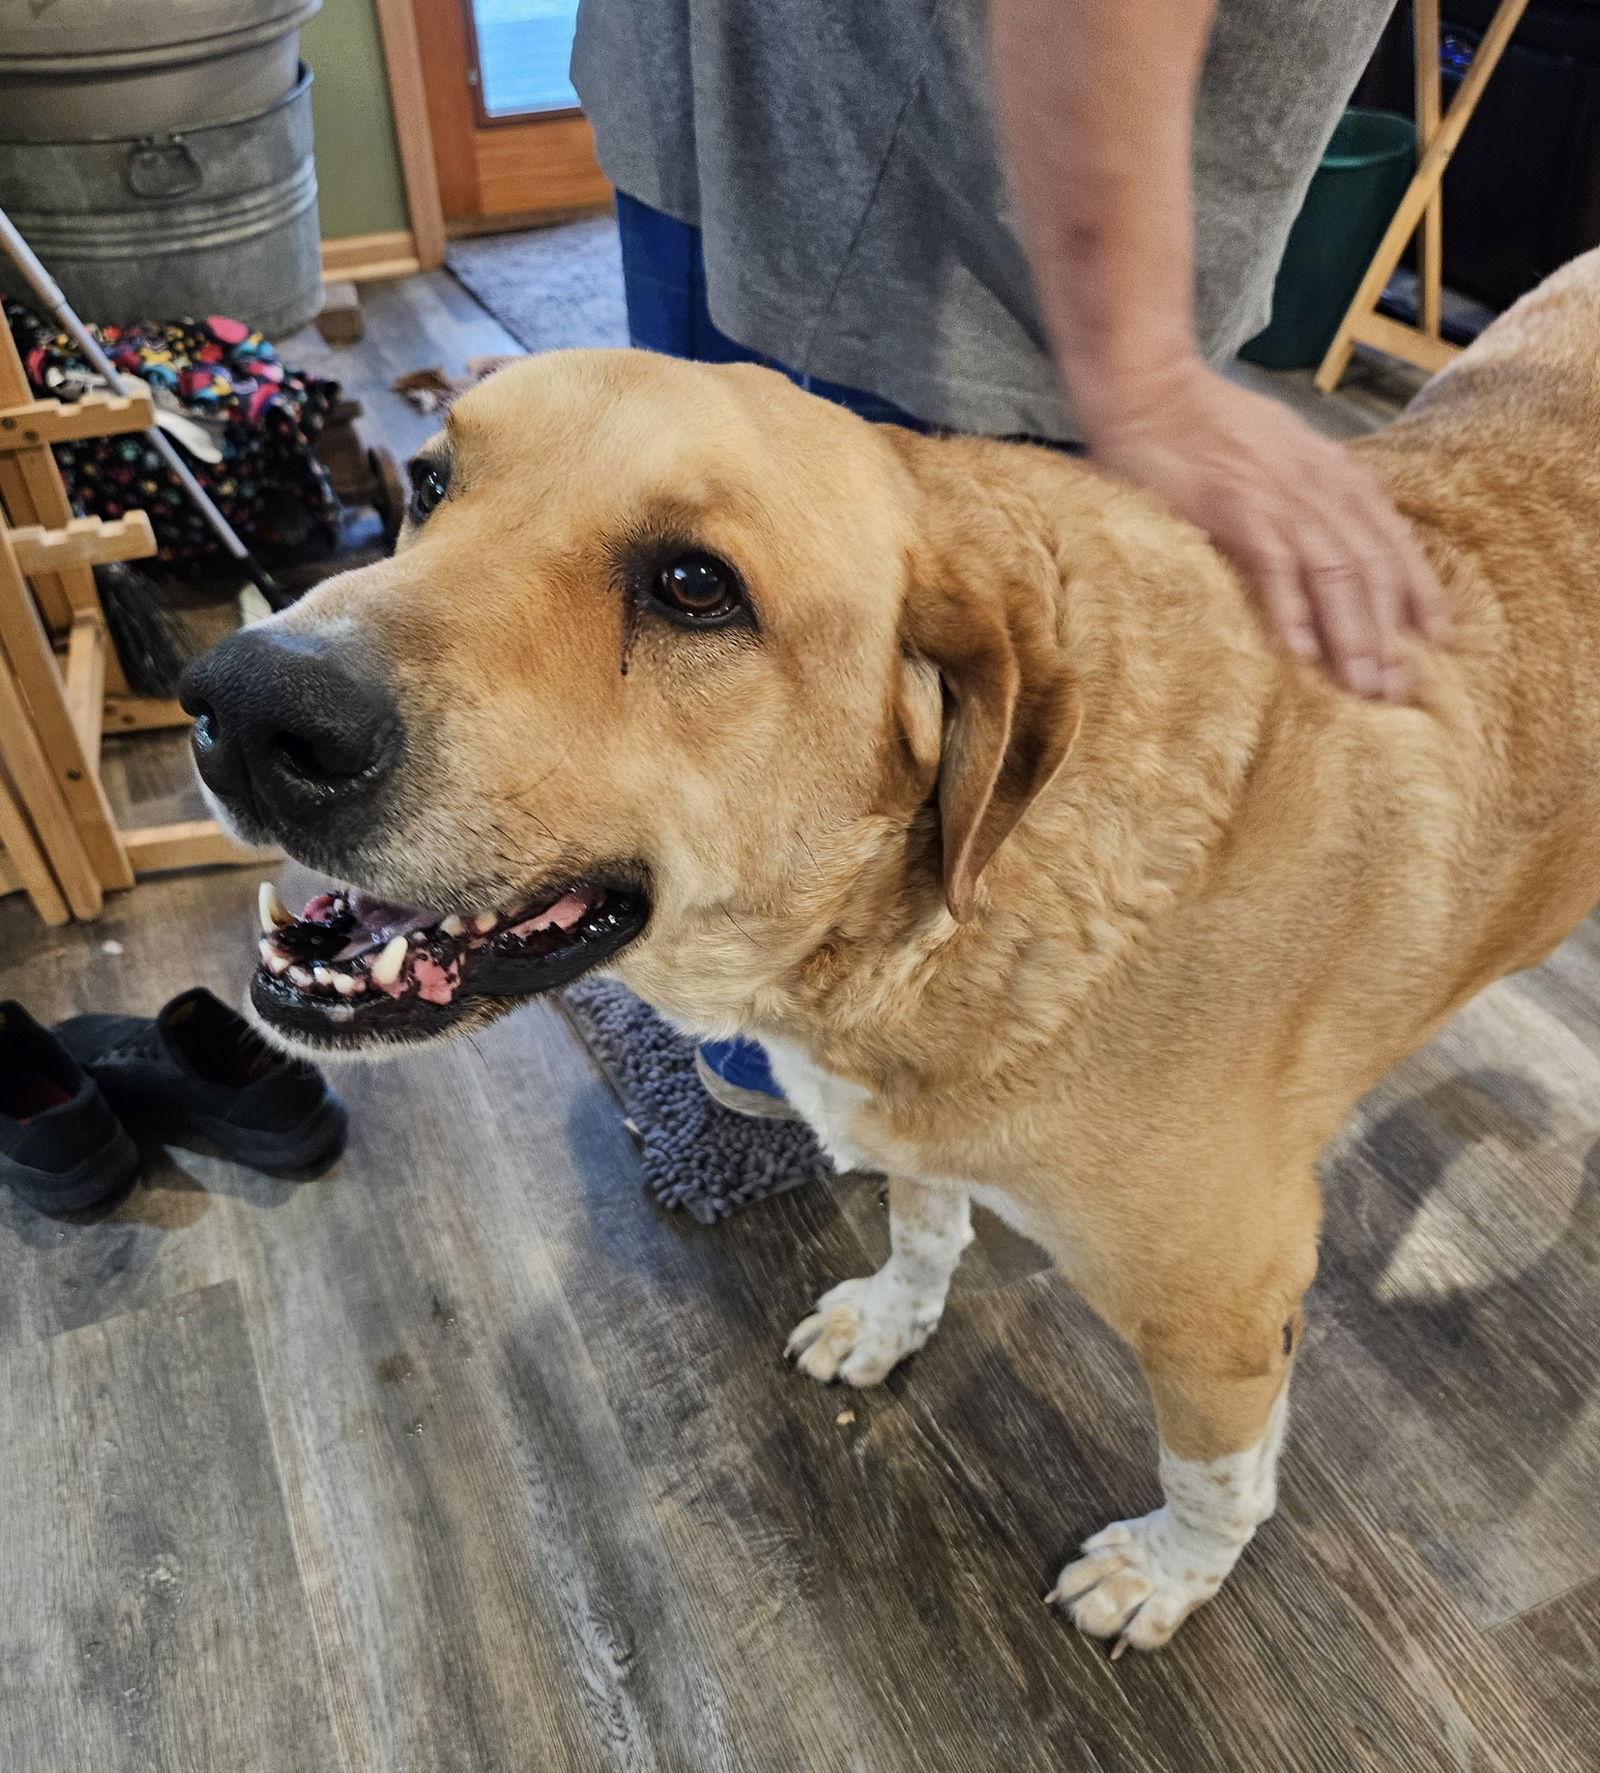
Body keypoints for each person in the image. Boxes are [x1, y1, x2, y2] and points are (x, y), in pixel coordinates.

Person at [571, 0, 1452, 1115]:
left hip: (728, 77)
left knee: (683, 626)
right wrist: (1138, 366)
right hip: (951, 194)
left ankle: (771, 1026)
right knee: (780, 677)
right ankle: (814, 1051)